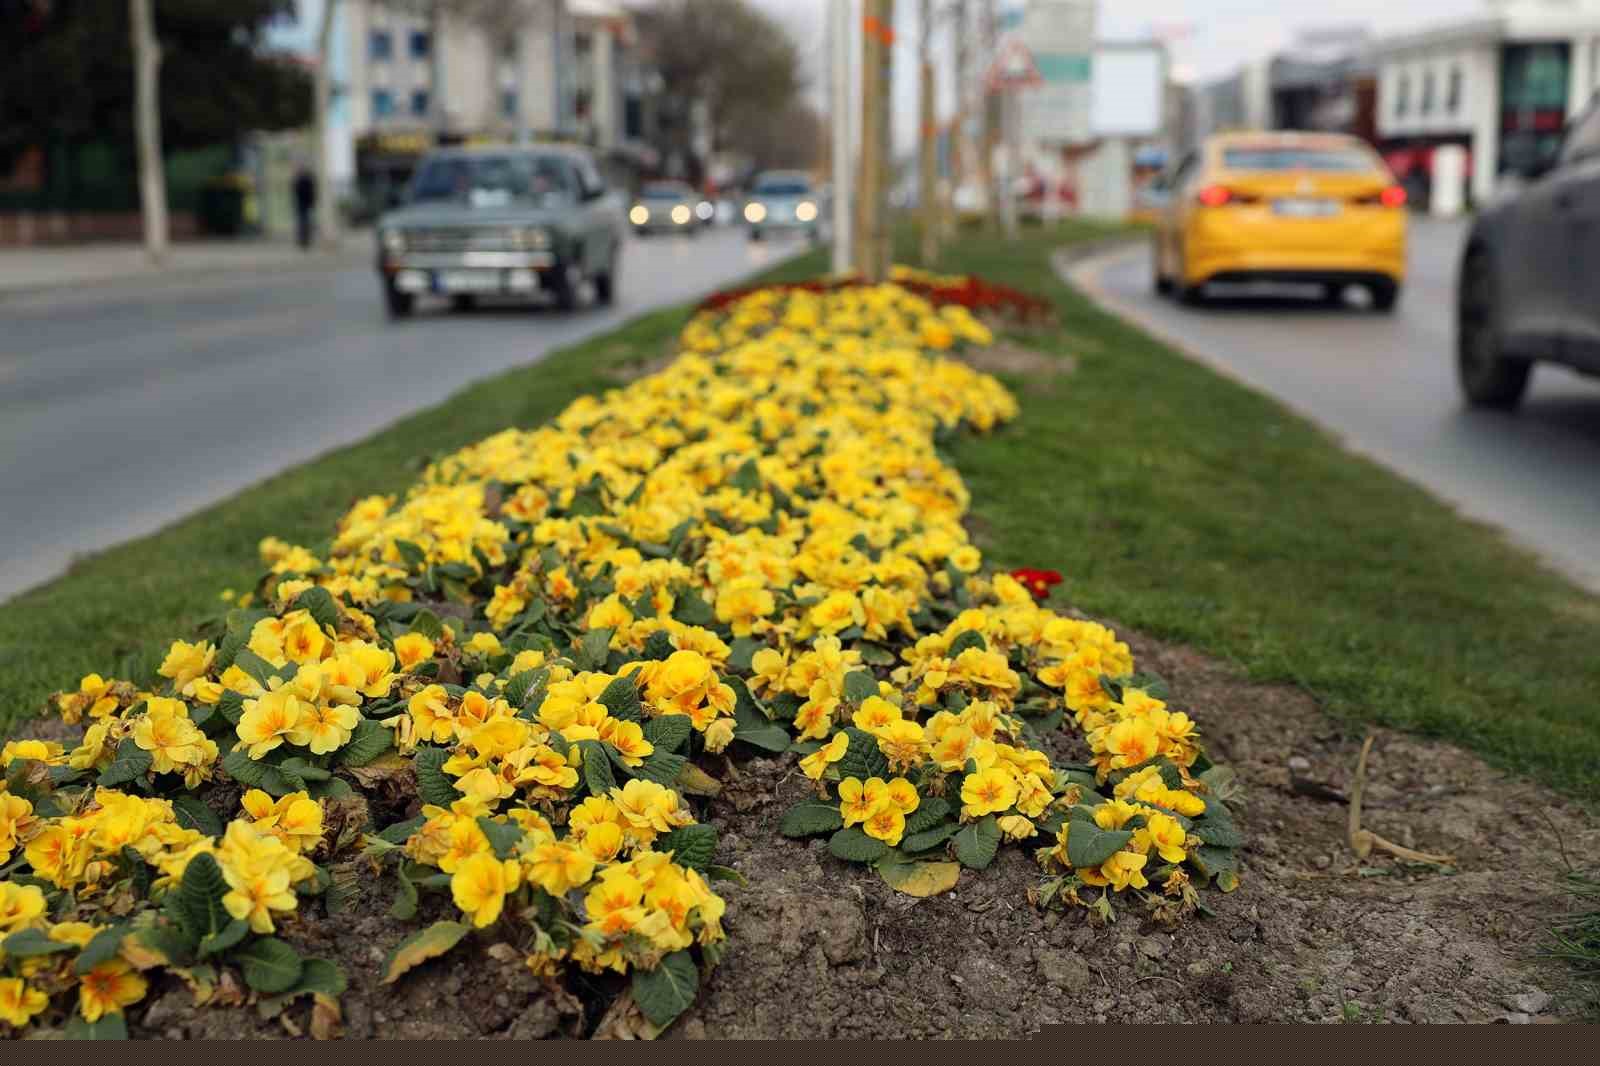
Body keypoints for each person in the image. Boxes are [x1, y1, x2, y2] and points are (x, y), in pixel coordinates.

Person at [292, 166, 316, 249]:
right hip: (305, 204)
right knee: (305, 222)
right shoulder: (307, 180)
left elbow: (295, 191)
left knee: (303, 222)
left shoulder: (300, 180)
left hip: (302, 204)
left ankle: (303, 240)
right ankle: (304, 240)